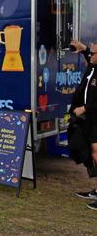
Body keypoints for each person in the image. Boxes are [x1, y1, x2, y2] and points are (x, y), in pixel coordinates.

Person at [69, 40, 97, 210]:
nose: (90, 56)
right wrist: (84, 49)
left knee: (96, 154)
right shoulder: (93, 68)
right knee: (91, 153)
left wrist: (85, 108)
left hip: (95, 117)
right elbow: (90, 56)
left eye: (93, 54)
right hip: (90, 118)